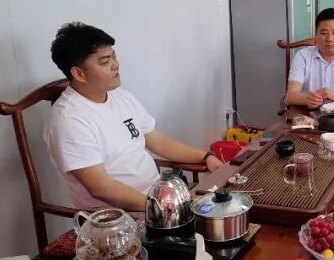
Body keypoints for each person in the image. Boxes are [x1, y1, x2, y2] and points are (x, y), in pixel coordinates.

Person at [43, 22, 223, 213]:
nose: (115, 65)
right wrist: (162, 207)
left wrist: (205, 157)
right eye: (105, 62)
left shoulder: (119, 96)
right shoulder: (69, 121)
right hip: (118, 217)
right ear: (79, 73)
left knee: (229, 207)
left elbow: (159, 142)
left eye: (114, 56)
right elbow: (101, 188)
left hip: (157, 198)